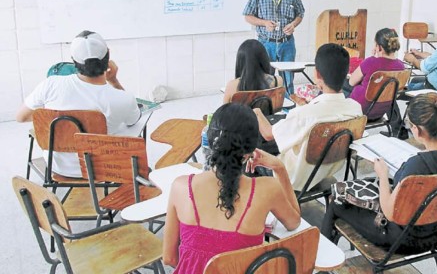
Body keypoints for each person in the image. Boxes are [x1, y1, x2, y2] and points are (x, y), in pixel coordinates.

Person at [321, 93, 437, 252]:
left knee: (337, 201)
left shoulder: (417, 166)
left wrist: (383, 175)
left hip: (401, 239)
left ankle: (323, 262)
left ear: (418, 130)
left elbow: (390, 213)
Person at [163, 103, 301, 273]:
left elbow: (169, 258)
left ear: (211, 140)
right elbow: (294, 222)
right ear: (251, 149)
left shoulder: (181, 187)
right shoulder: (267, 189)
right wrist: (280, 168)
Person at [15, 30, 140, 177]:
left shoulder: (50, 84)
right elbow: (133, 121)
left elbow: (20, 117)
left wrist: (50, 116)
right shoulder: (123, 98)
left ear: (74, 60)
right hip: (100, 168)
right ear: (108, 55)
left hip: (56, 166)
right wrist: (113, 80)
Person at [254, 43, 363, 191]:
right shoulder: (355, 108)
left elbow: (268, 134)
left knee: (252, 145)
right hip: (325, 171)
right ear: (346, 74)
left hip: (293, 177)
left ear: (317, 75)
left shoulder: (304, 114)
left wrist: (256, 112)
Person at [243, 0, 305, 95]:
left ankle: (289, 108)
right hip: (266, 43)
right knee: (265, 79)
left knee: (288, 80)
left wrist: (293, 24)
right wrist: (264, 23)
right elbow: (247, 16)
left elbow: (300, 13)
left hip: (287, 43)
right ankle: (267, 106)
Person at [342, 28, 405, 133]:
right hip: (381, 110)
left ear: (379, 47)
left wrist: (373, 58)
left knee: (342, 82)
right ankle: (398, 128)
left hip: (360, 110)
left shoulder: (370, 62)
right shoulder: (401, 67)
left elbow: (351, 82)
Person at [223, 39, 284, 104]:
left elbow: (224, 112)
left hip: (242, 114)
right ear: (264, 58)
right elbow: (277, 108)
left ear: (240, 61)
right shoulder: (278, 81)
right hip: (265, 114)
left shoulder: (232, 86)